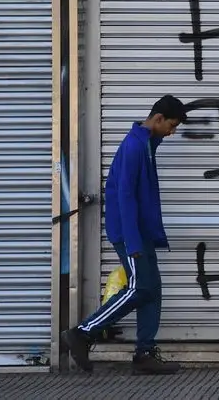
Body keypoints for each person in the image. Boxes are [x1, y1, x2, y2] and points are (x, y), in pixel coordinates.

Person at [61, 95, 187, 375]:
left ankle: (144, 353)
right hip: (130, 233)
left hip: (140, 232)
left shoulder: (146, 145)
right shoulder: (134, 147)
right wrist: (132, 241)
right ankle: (83, 333)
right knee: (139, 288)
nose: (172, 131)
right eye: (172, 125)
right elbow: (126, 196)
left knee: (152, 289)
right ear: (157, 119)